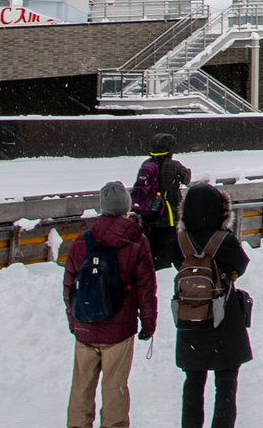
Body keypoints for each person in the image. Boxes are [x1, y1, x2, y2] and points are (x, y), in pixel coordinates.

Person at [65, 182, 157, 428]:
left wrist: (73, 320)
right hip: (118, 330)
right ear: (127, 209)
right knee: (114, 388)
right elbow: (146, 288)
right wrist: (148, 322)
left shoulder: (82, 242)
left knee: (81, 388)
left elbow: (69, 285)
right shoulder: (137, 242)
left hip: (84, 326)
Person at [172, 183, 252, 428]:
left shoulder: (181, 242)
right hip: (223, 319)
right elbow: (241, 264)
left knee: (193, 382)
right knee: (226, 383)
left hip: (191, 320)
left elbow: (178, 266)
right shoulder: (224, 241)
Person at [132, 133, 191, 269]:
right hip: (168, 218)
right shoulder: (173, 166)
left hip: (149, 215)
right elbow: (186, 178)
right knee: (167, 254)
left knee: (151, 254)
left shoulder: (146, 164)